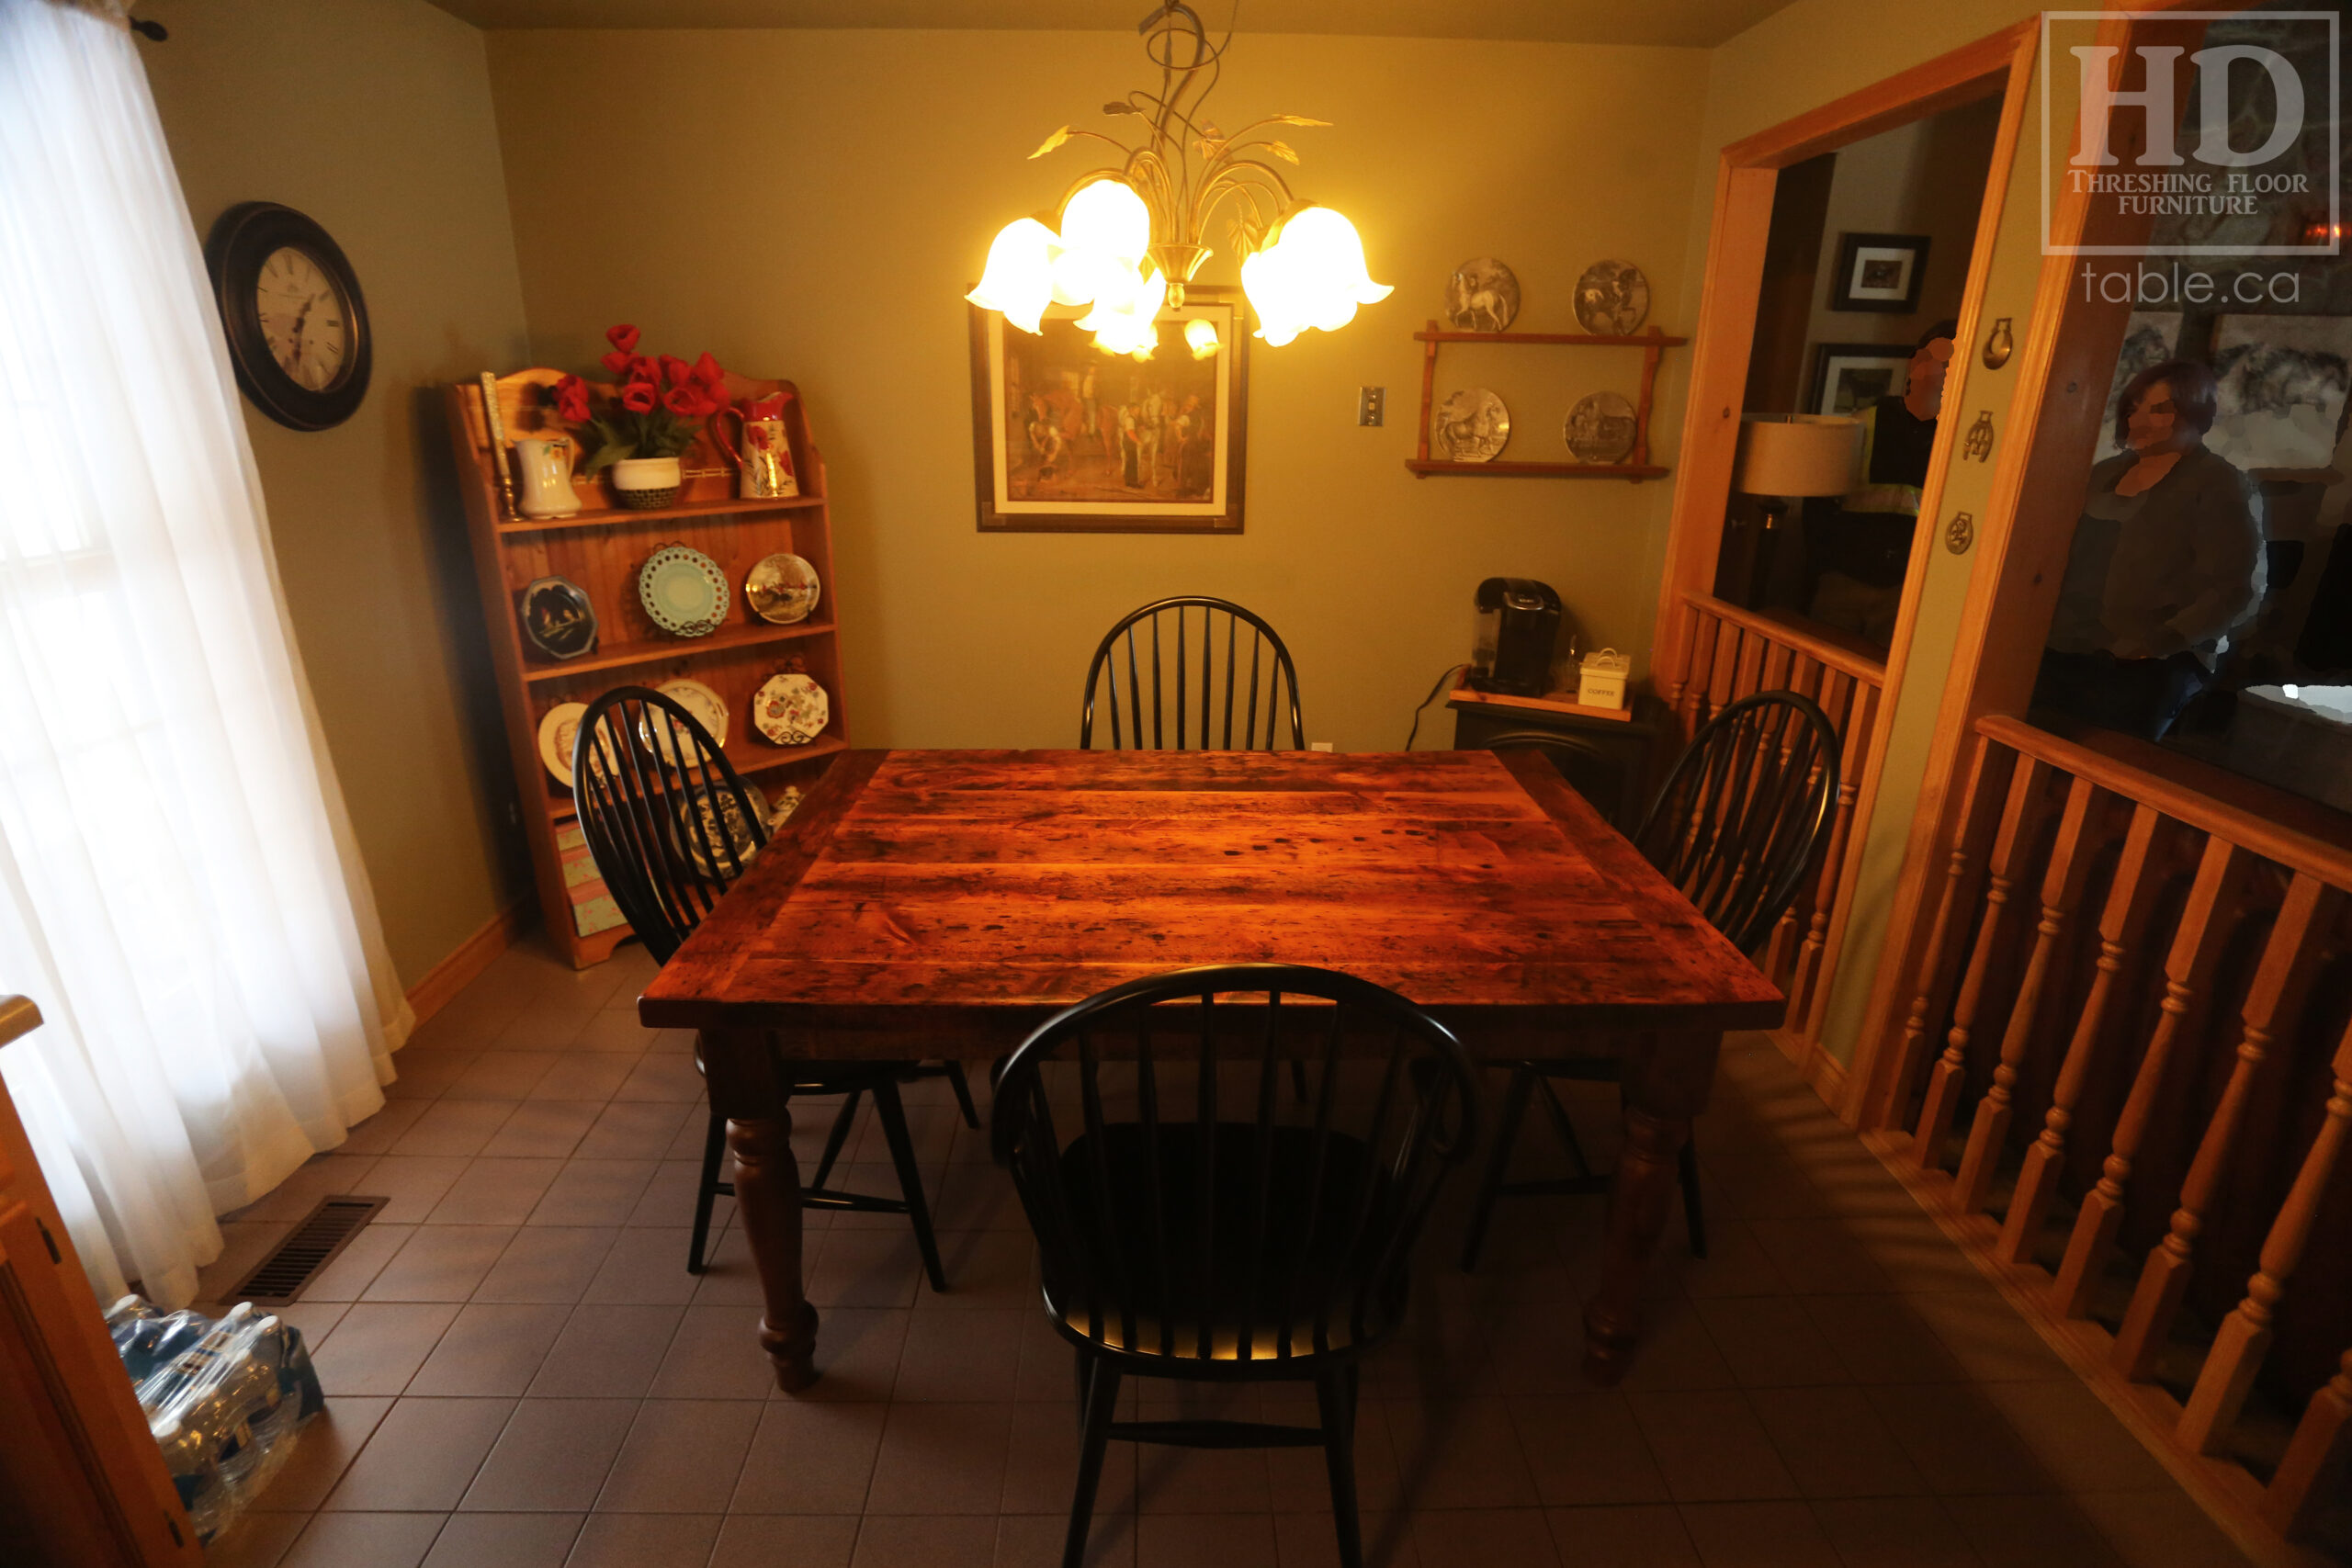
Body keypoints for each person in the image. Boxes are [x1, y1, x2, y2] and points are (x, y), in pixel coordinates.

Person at [2031, 358, 2265, 741]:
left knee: (2107, 768)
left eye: (2160, 409)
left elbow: (2237, 589)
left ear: (2194, 411)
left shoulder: (2222, 486)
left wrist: (2159, 642)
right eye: (2136, 406)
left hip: (2149, 667)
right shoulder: (2104, 474)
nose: (2140, 417)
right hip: (2063, 648)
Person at [1804, 319, 1956, 644]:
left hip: (1910, 589)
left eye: (1946, 365)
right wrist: (1825, 565)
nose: (1936, 373)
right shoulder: (1861, 425)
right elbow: (1816, 505)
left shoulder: (1962, 442)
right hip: (1845, 579)